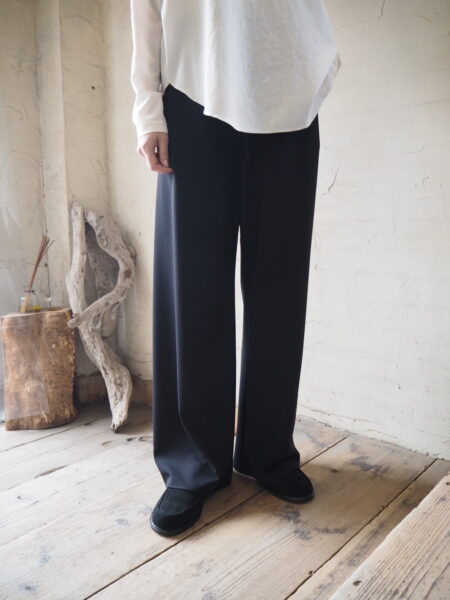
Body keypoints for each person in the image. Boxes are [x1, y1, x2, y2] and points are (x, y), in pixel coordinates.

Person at [130, 0, 342, 537]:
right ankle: (193, 465)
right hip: (192, 90)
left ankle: (267, 450)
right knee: (193, 289)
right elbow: (146, 8)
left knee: (280, 286)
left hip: (288, 93)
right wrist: (148, 110)